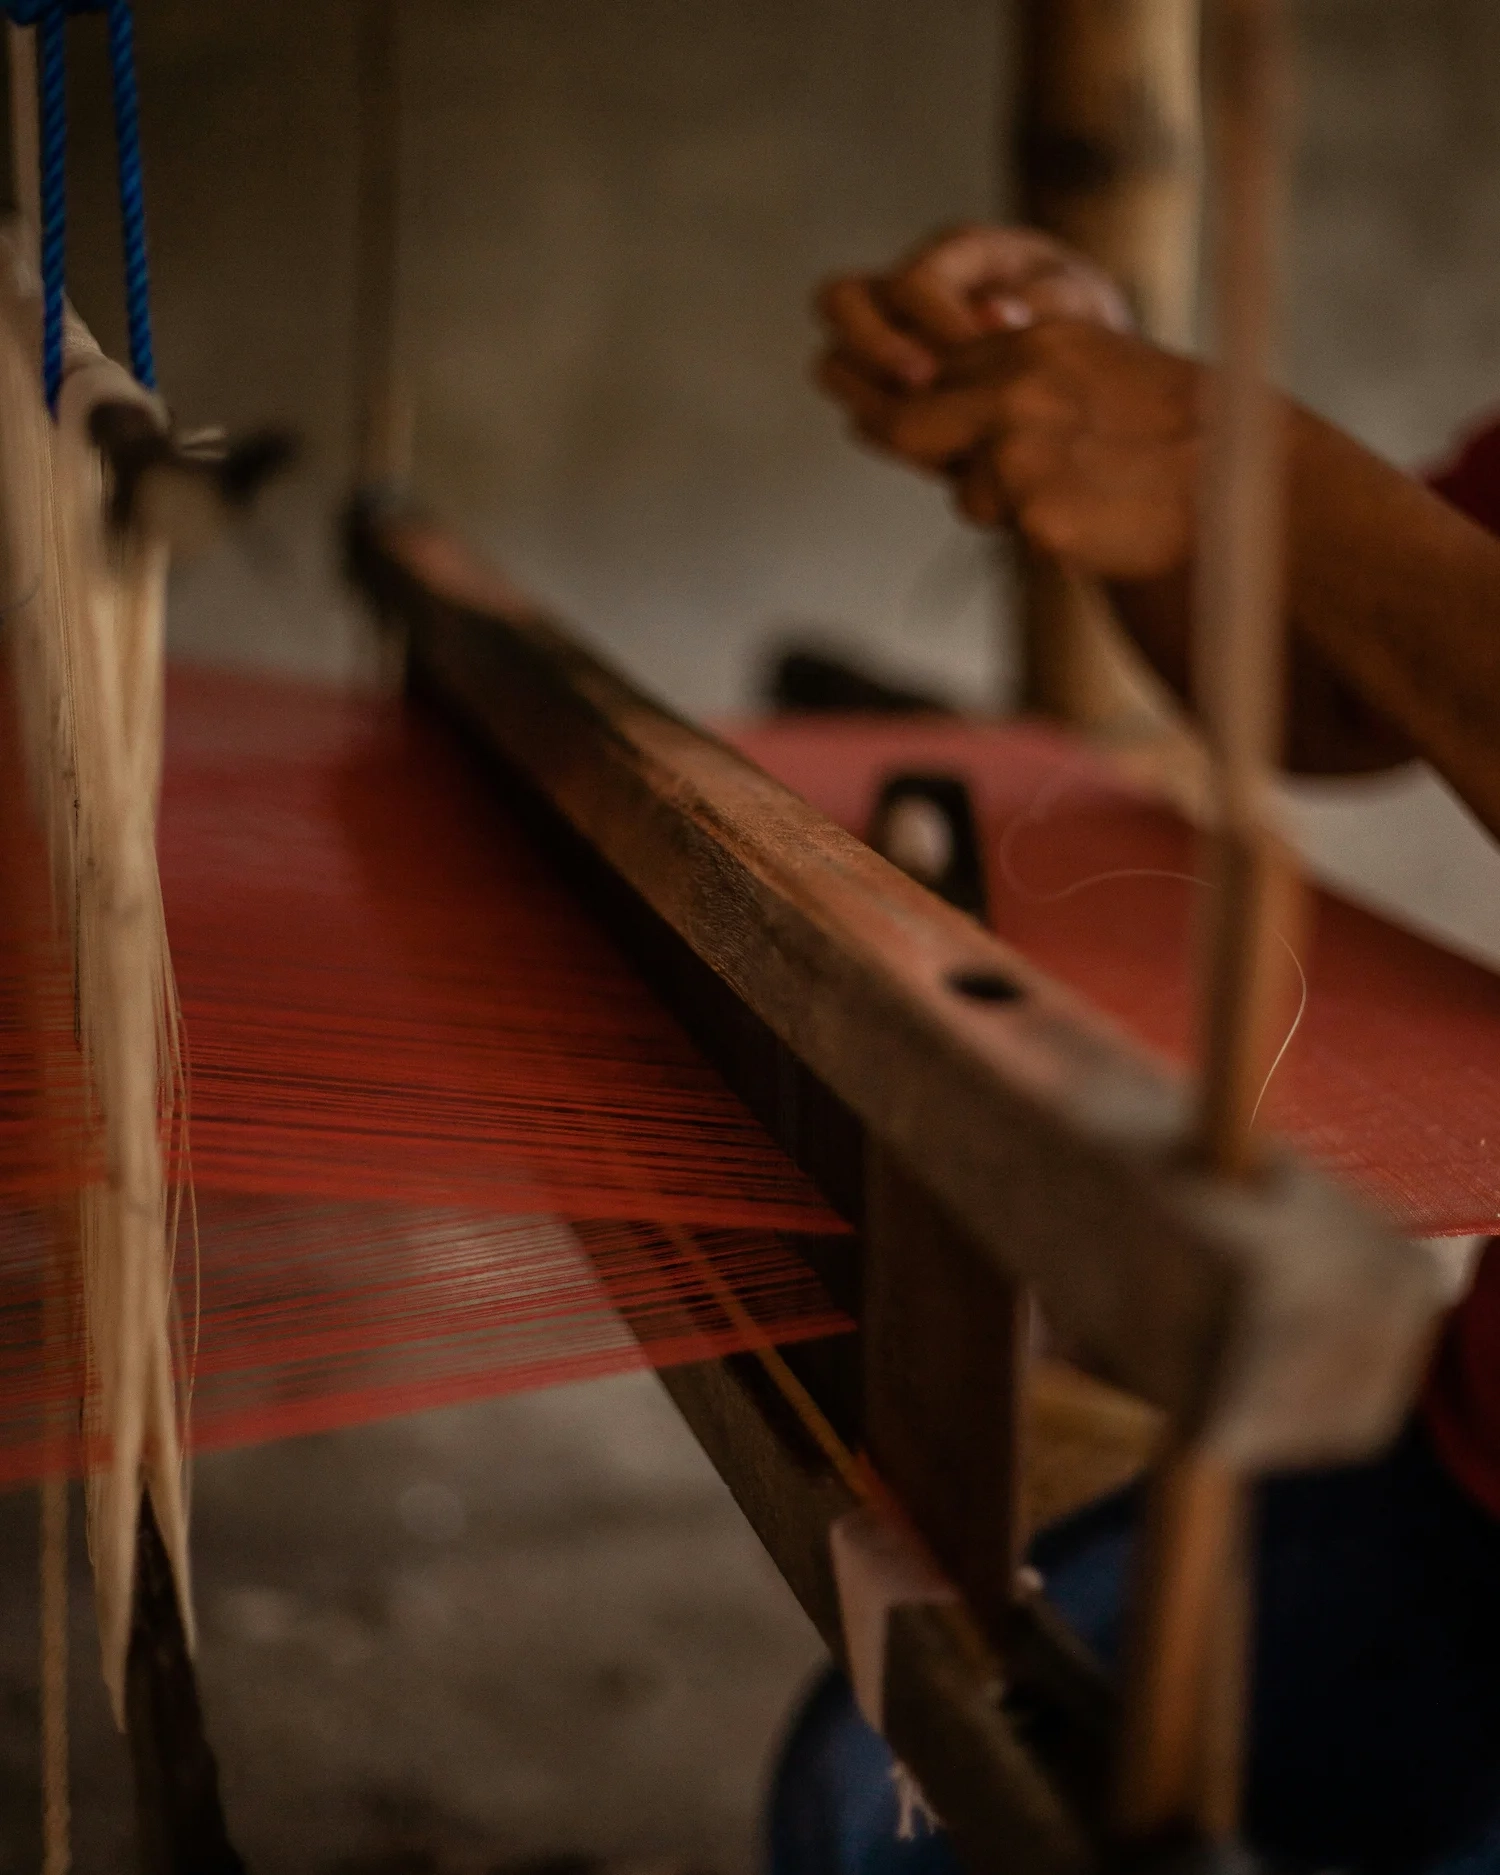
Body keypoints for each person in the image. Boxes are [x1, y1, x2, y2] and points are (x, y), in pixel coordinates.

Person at [766, 224, 1500, 1875]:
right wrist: (1103, 431)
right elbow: (1336, 680)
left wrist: (1254, 470)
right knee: (878, 1797)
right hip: (1473, 1458)